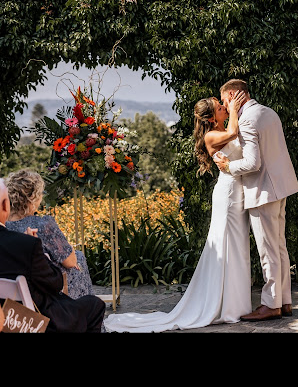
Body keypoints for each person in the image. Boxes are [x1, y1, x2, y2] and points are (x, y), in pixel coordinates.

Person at [104, 90, 251, 332]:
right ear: (211, 118)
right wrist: (235, 109)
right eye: (219, 107)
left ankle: (234, 303)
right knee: (228, 245)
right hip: (227, 196)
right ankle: (228, 307)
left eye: (223, 105)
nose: (224, 107)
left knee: (237, 247)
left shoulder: (221, 127)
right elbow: (234, 133)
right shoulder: (212, 136)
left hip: (237, 192)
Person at [214, 79, 298, 321]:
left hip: (262, 190)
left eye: (224, 100)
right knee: (279, 247)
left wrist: (228, 166)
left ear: (232, 95)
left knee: (268, 250)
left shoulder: (247, 119)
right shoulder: (268, 112)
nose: (224, 105)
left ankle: (271, 304)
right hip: (280, 187)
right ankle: (284, 301)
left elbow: (253, 163)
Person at [0, 178, 105, 333]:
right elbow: (55, 283)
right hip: (35, 322)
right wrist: (35, 247)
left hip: (5, 318)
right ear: (5, 205)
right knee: (95, 305)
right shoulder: (26, 244)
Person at [5, 168, 94, 300]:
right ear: (33, 199)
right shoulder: (43, 225)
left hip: (12, 290)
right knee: (78, 259)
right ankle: (82, 306)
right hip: (44, 291)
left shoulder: (3, 226)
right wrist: (71, 252)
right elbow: (70, 262)